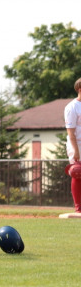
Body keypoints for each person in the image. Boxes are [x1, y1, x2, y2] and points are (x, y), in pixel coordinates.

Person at [64, 77, 81, 213]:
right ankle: (78, 207)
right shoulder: (72, 107)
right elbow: (71, 133)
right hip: (76, 143)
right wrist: (76, 151)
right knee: (77, 171)